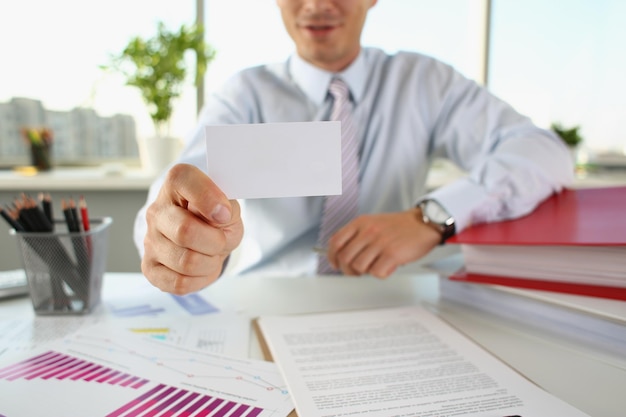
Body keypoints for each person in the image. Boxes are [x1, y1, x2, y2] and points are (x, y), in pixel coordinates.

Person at [134, 0, 574, 295]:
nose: (317, 5)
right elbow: (179, 187)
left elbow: (544, 152)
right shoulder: (245, 94)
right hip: (267, 302)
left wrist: (432, 217)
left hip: (390, 301)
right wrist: (175, 236)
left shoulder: (424, 82)